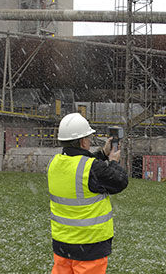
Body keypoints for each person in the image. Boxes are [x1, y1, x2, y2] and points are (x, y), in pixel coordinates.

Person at [47, 112, 128, 274]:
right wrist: (113, 162)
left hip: (62, 243)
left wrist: (102, 154)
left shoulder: (54, 163)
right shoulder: (92, 168)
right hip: (89, 245)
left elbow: (78, 162)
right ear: (83, 141)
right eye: (89, 139)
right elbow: (120, 181)